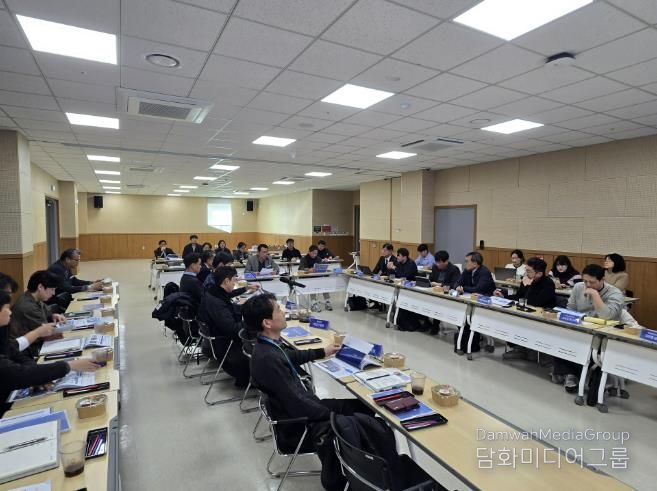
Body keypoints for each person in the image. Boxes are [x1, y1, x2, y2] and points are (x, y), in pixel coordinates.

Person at [243, 293, 372, 491]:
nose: (283, 311)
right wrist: (332, 415)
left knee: (363, 406)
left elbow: (290, 356)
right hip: (298, 424)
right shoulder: (268, 359)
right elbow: (298, 404)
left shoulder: (267, 346)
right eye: (278, 309)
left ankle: (361, 465)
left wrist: (322, 352)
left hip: (300, 408)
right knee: (361, 416)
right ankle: (350, 475)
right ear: (267, 323)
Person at [0, 291, 99, 415]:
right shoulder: (25, 307)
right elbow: (17, 373)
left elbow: (15, 352)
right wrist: (69, 365)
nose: (10, 312)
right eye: (6, 308)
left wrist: (38, 374)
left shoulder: (3, 332)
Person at [552, 264, 624, 393]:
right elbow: (570, 308)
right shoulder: (579, 287)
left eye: (592, 282)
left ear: (602, 280)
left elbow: (607, 316)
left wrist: (595, 295)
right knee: (560, 338)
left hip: (603, 334)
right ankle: (569, 374)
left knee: (584, 346)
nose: (588, 285)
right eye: (585, 281)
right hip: (580, 328)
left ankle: (572, 374)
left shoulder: (615, 293)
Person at [197, 267, 251, 387]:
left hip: (219, 340)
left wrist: (246, 308)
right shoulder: (217, 302)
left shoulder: (213, 291)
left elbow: (229, 307)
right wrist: (252, 320)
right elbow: (233, 329)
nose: (235, 283)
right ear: (226, 281)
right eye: (234, 280)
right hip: (226, 346)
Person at [494, 258, 556, 360]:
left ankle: (527, 350)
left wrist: (530, 286)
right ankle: (519, 348)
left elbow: (535, 303)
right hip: (525, 312)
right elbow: (519, 297)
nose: (526, 273)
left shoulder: (548, 284)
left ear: (539, 273)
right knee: (508, 319)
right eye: (526, 270)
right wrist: (504, 296)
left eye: (528, 271)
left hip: (541, 317)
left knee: (518, 321)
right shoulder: (527, 280)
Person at [10, 271, 67, 358]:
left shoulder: (32, 297)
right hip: (27, 350)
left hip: (34, 344)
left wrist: (53, 315)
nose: (54, 293)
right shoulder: (28, 306)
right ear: (40, 287)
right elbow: (47, 334)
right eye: (52, 289)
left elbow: (47, 312)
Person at [455, 252, 495, 354]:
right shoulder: (467, 270)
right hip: (471, 300)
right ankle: (469, 338)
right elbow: (457, 283)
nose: (465, 263)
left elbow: (478, 289)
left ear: (475, 263)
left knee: (467, 318)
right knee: (459, 315)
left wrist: (463, 288)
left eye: (467, 261)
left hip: (485, 302)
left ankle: (473, 339)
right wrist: (458, 287)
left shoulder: (484, 272)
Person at [388, 249, 421, 332]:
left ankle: (407, 324)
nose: (397, 257)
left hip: (412, 289)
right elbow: (394, 275)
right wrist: (390, 268)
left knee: (403, 305)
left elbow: (405, 275)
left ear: (405, 257)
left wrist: (395, 268)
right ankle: (397, 320)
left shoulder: (411, 264)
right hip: (402, 287)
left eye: (399, 256)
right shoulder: (399, 263)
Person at [299, 245, 332, 312]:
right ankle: (313, 303)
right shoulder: (304, 259)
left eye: (316, 253)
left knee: (324, 283)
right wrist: (308, 270)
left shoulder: (318, 258)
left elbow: (321, 266)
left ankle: (327, 301)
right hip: (307, 278)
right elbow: (300, 269)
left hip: (317, 277)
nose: (315, 255)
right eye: (313, 253)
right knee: (313, 284)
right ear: (309, 252)